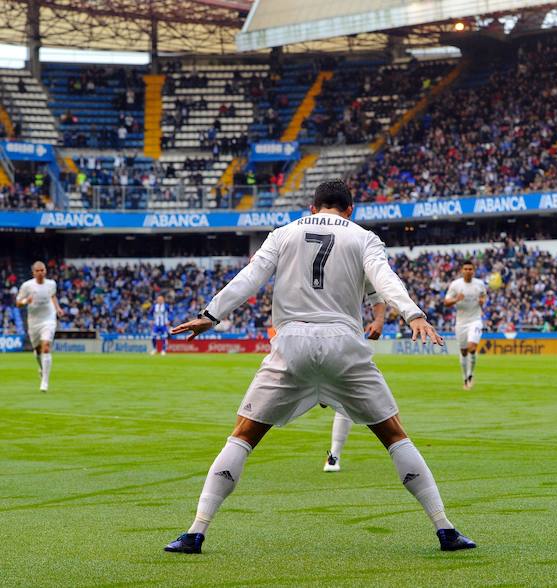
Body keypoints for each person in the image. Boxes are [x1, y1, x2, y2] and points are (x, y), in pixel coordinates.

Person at [165, 179, 475, 553]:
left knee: (243, 435)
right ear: (350, 209)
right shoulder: (363, 237)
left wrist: (210, 315)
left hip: (291, 344)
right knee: (394, 435)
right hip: (344, 345)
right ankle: (445, 529)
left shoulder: (283, 234)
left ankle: (195, 532)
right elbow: (384, 280)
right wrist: (413, 314)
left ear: (312, 208)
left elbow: (251, 277)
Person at [324, 281, 386, 473]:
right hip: (308, 338)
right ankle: (322, 391)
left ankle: (334, 455)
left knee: (345, 400)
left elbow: (376, 295)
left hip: (348, 338)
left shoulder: (357, 258)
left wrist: (379, 320)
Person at [16, 261, 64, 392]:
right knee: (38, 351)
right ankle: (42, 368)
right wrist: (26, 301)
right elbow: (18, 303)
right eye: (37, 271)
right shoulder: (27, 286)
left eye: (42, 270)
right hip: (34, 322)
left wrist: (58, 308)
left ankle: (45, 382)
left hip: (49, 319)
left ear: (45, 271)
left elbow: (53, 296)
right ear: (33, 272)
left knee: (46, 347)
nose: (40, 273)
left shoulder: (51, 284)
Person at [443, 260, 487, 390]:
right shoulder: (455, 285)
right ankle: (465, 377)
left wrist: (482, 301)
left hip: (476, 320)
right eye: (466, 269)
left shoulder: (479, 284)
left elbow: (484, 296)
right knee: (463, 352)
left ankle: (471, 375)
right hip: (461, 323)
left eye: (470, 269)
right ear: (462, 271)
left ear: (474, 271)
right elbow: (446, 302)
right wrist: (456, 299)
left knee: (471, 347)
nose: (468, 271)